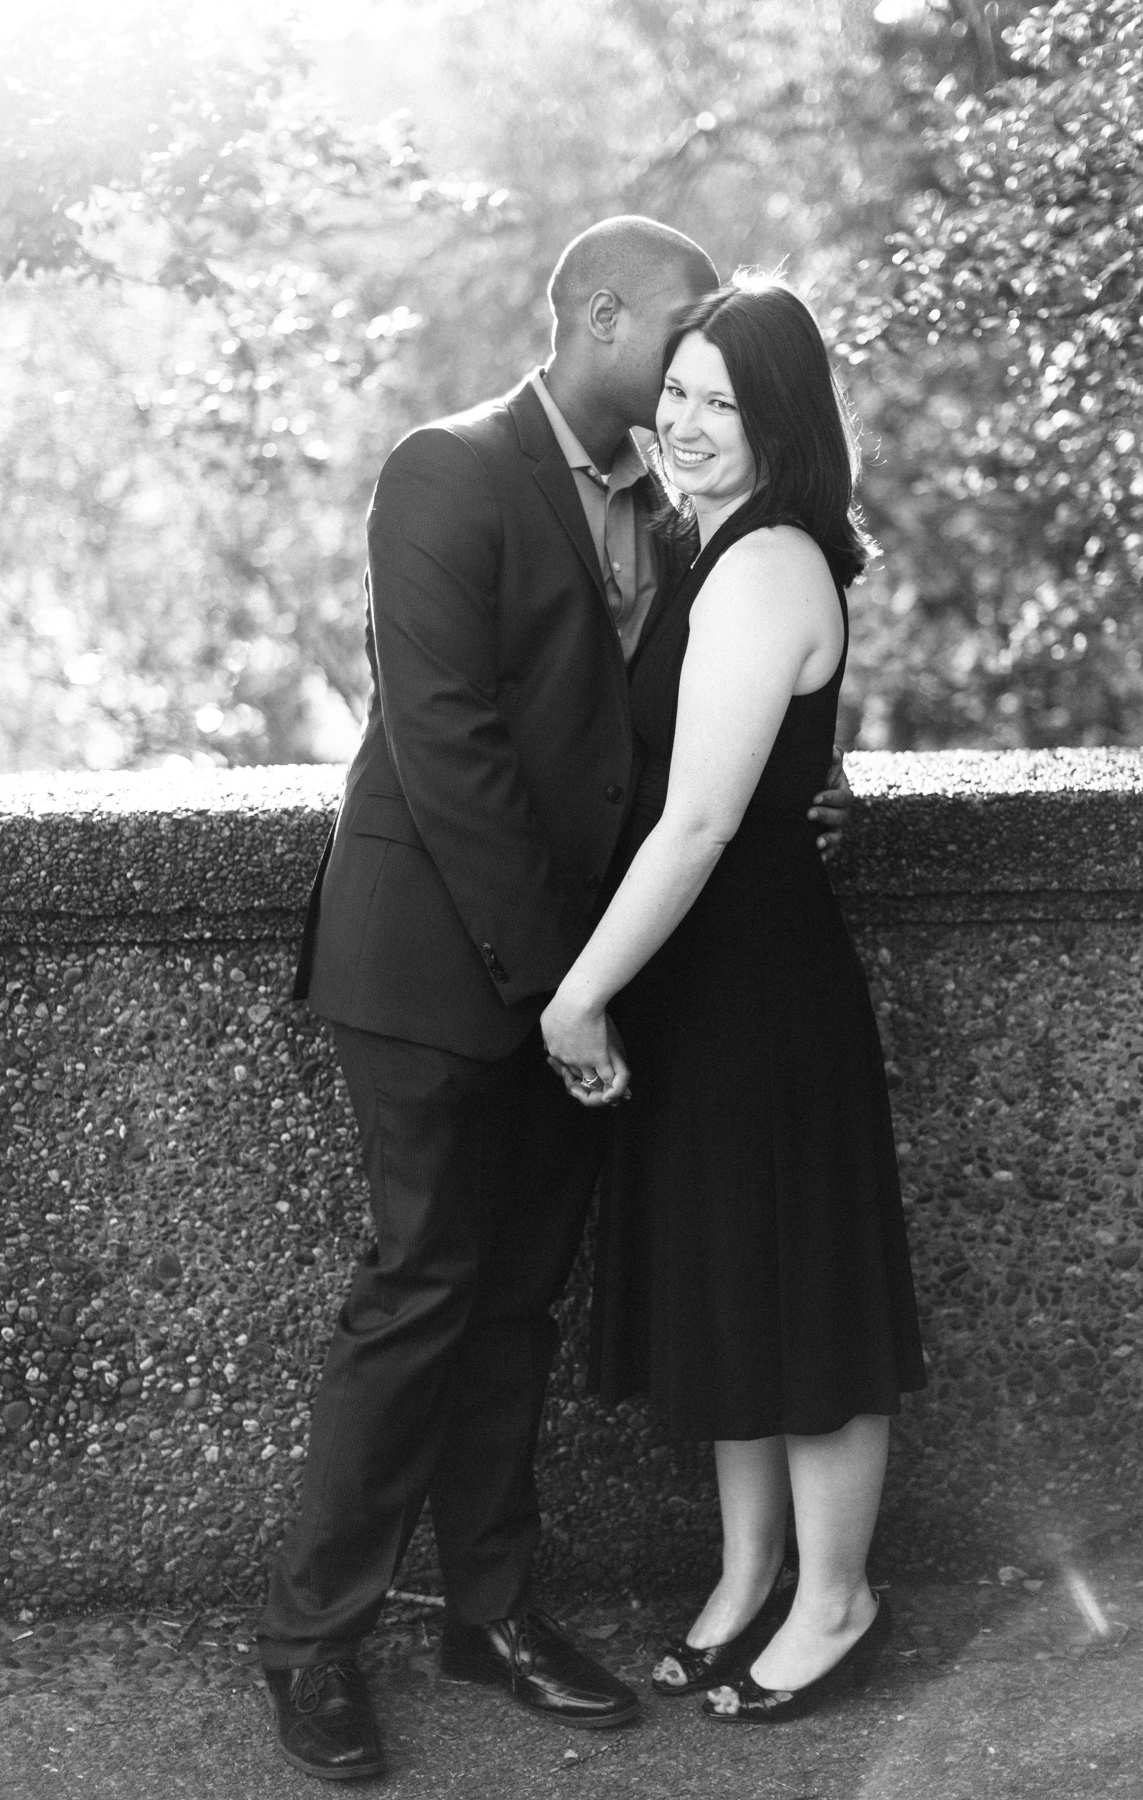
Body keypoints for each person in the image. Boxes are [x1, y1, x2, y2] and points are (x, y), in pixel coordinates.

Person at [257, 222, 854, 1779]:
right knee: (417, 1295)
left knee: (517, 1299)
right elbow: (446, 746)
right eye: (681, 341)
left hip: (576, 980)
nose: (692, 376)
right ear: (600, 319)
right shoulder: (445, 469)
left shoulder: (676, 510)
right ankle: (313, 1644)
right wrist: (559, 990)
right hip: (439, 967)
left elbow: (688, 733)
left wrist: (810, 785)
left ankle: (495, 1609)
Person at [541, 277, 926, 1727]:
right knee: (736, 1283)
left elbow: (700, 823)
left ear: (782, 422)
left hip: (760, 986)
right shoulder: (722, 546)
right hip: (711, 981)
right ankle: (750, 1571)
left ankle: (837, 1600)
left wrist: (578, 998)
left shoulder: (766, 565)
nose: (691, 426)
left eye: (725, 403)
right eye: (680, 393)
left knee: (800, 1294)